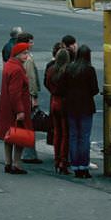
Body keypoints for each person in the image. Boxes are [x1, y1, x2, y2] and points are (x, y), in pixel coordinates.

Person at [0, 42, 32, 174]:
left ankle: (8, 162)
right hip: (16, 108)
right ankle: (17, 163)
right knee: (20, 136)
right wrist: (20, 110)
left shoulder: (9, 65)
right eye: (24, 53)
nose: (27, 55)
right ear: (17, 54)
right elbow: (15, 92)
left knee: (8, 136)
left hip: (6, 107)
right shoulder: (17, 69)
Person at [64, 44, 99, 179]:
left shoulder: (69, 68)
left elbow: (63, 87)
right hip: (85, 106)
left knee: (73, 136)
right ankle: (84, 166)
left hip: (71, 106)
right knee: (84, 137)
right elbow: (94, 89)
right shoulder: (90, 70)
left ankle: (75, 166)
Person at [16, 32, 42, 164]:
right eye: (31, 42)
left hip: (21, 95)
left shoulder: (18, 56)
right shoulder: (28, 58)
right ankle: (29, 154)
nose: (33, 44)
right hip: (28, 96)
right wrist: (34, 97)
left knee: (23, 125)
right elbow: (31, 79)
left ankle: (23, 153)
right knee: (29, 125)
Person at [44, 46, 70, 174]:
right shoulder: (67, 72)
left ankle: (56, 159)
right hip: (64, 103)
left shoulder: (51, 70)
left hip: (54, 101)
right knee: (65, 134)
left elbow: (47, 83)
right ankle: (63, 161)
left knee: (57, 132)